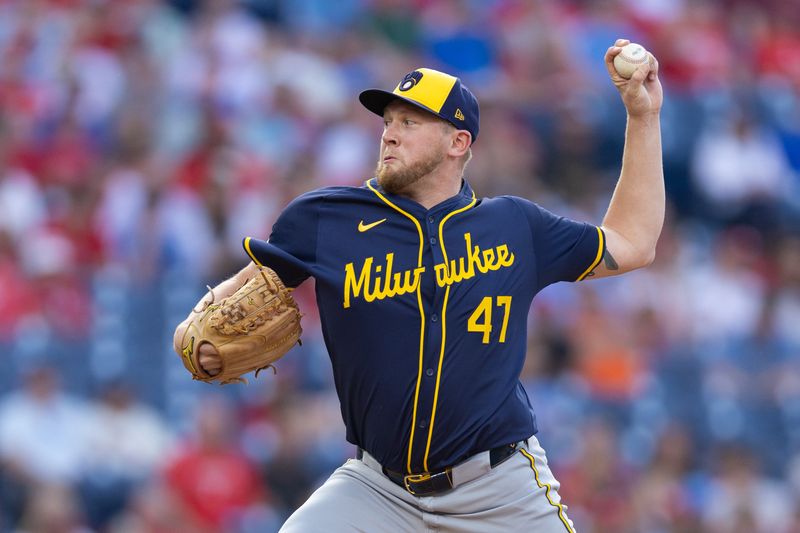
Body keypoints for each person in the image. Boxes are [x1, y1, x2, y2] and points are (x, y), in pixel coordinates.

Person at [174, 38, 664, 532]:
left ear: (458, 142)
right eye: (387, 121)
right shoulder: (326, 219)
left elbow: (632, 241)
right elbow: (244, 288)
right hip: (377, 489)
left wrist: (642, 118)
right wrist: (203, 329)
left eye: (410, 122)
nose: (389, 135)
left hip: (498, 489)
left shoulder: (515, 226)